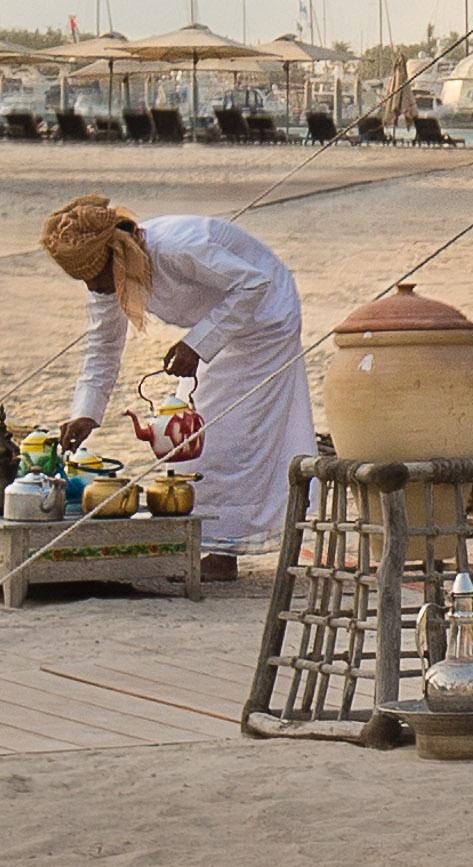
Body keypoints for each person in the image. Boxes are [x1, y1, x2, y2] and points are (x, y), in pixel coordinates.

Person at [40, 195, 309, 580]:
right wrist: (85, 414)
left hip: (267, 316)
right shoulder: (106, 276)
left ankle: (222, 554)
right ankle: (206, 544)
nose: (96, 289)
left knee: (221, 434)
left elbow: (254, 284)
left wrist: (197, 344)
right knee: (187, 437)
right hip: (223, 326)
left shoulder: (176, 248)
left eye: (96, 279)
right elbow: (101, 348)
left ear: (113, 256)